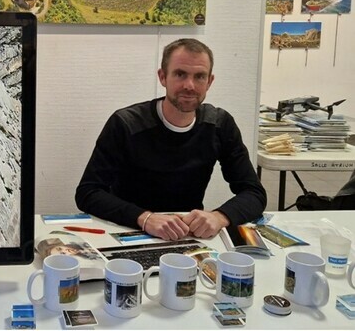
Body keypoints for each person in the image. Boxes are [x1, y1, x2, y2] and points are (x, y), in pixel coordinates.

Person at [75, 38, 266, 241]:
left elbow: (254, 193)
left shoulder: (219, 125)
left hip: (187, 236)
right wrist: (145, 218)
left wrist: (220, 217)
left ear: (209, 81)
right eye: (180, 74)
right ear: (163, 77)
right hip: (130, 232)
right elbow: (88, 192)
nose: (189, 85)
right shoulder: (125, 123)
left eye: (199, 76)